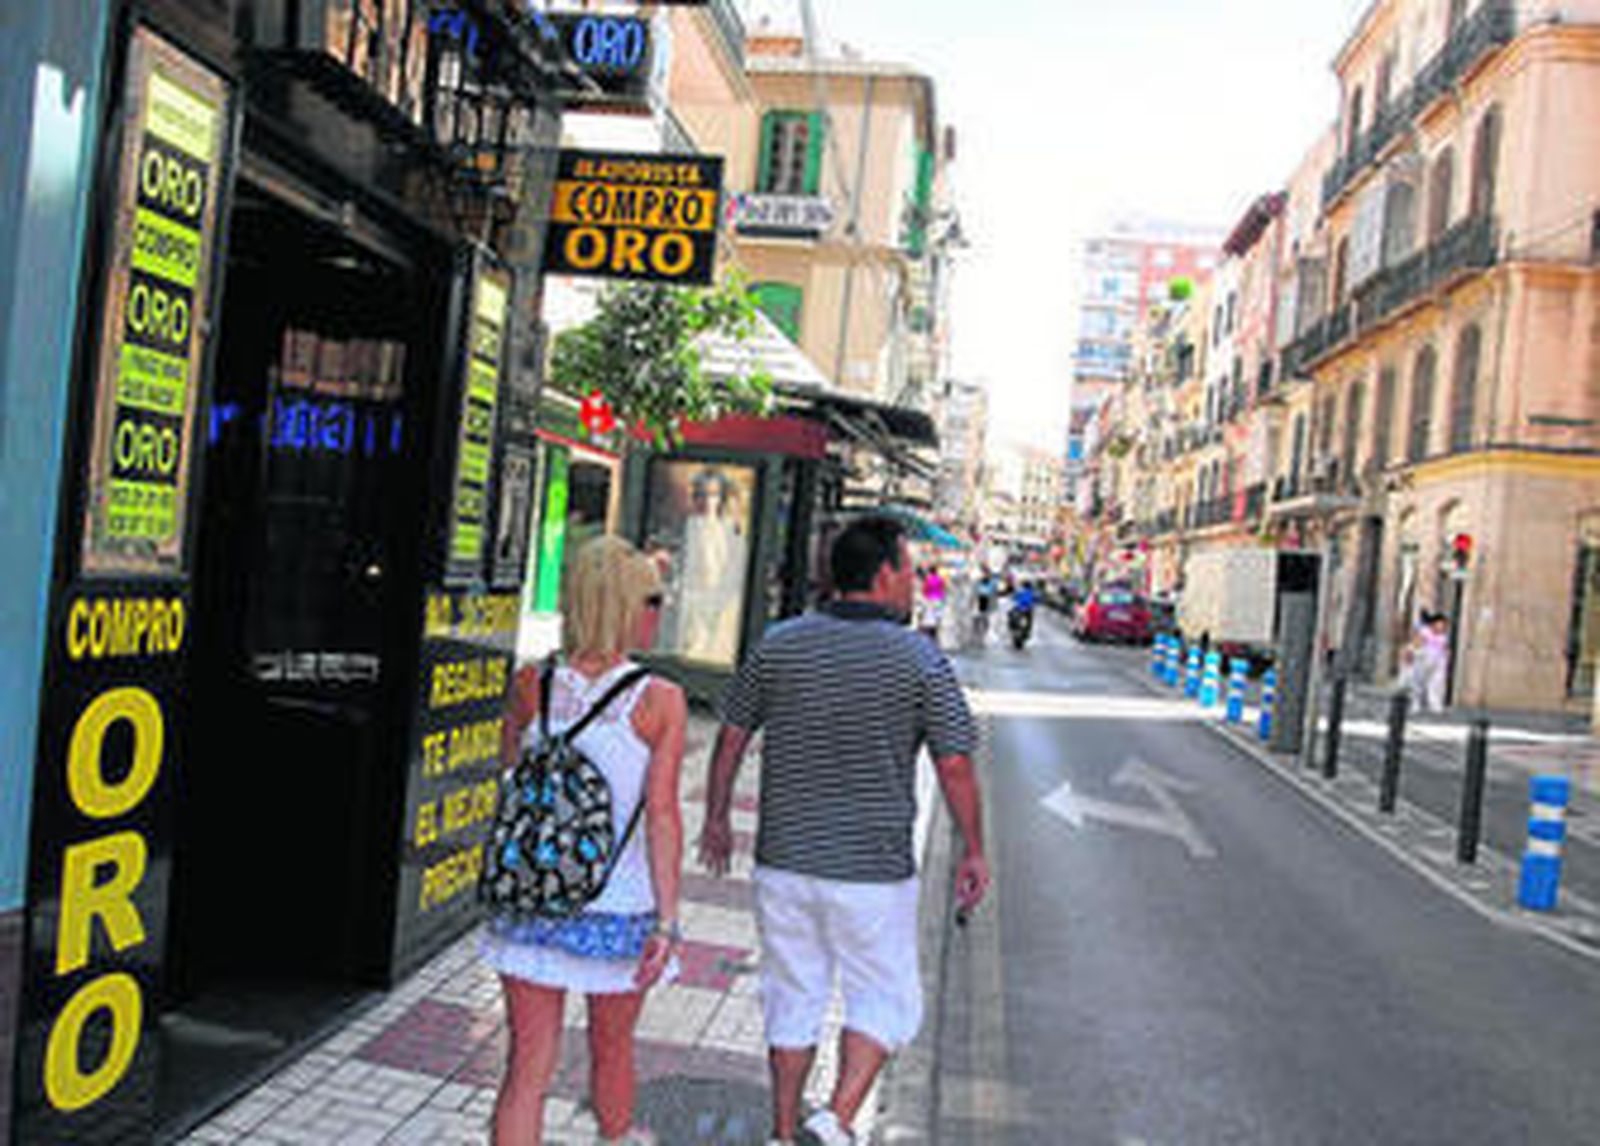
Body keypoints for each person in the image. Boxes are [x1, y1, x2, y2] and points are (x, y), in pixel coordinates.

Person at [699, 515, 990, 1146]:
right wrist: (974, 847)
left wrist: (717, 816)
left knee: (792, 996)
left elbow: (731, 735)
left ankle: (783, 1131)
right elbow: (956, 763)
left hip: (783, 863)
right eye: (910, 571)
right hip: (871, 874)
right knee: (885, 1000)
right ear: (884, 575)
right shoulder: (921, 659)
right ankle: (834, 1120)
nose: (915, 584)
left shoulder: (779, 642)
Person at [484, 536, 688, 1146]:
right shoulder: (658, 700)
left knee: (526, 1069)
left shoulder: (531, 684)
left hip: (531, 898)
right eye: (652, 598)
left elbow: (511, 771)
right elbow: (662, 816)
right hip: (618, 907)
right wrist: (669, 921)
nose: (659, 609)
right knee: (613, 1050)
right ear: (622, 604)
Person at [917, 564, 947, 643]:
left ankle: (929, 636)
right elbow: (943, 588)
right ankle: (936, 634)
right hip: (939, 599)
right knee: (937, 618)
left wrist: (924, 597)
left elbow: (924, 589)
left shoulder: (928, 579)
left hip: (930, 599)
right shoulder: (940, 579)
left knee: (928, 618)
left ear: (930, 571)